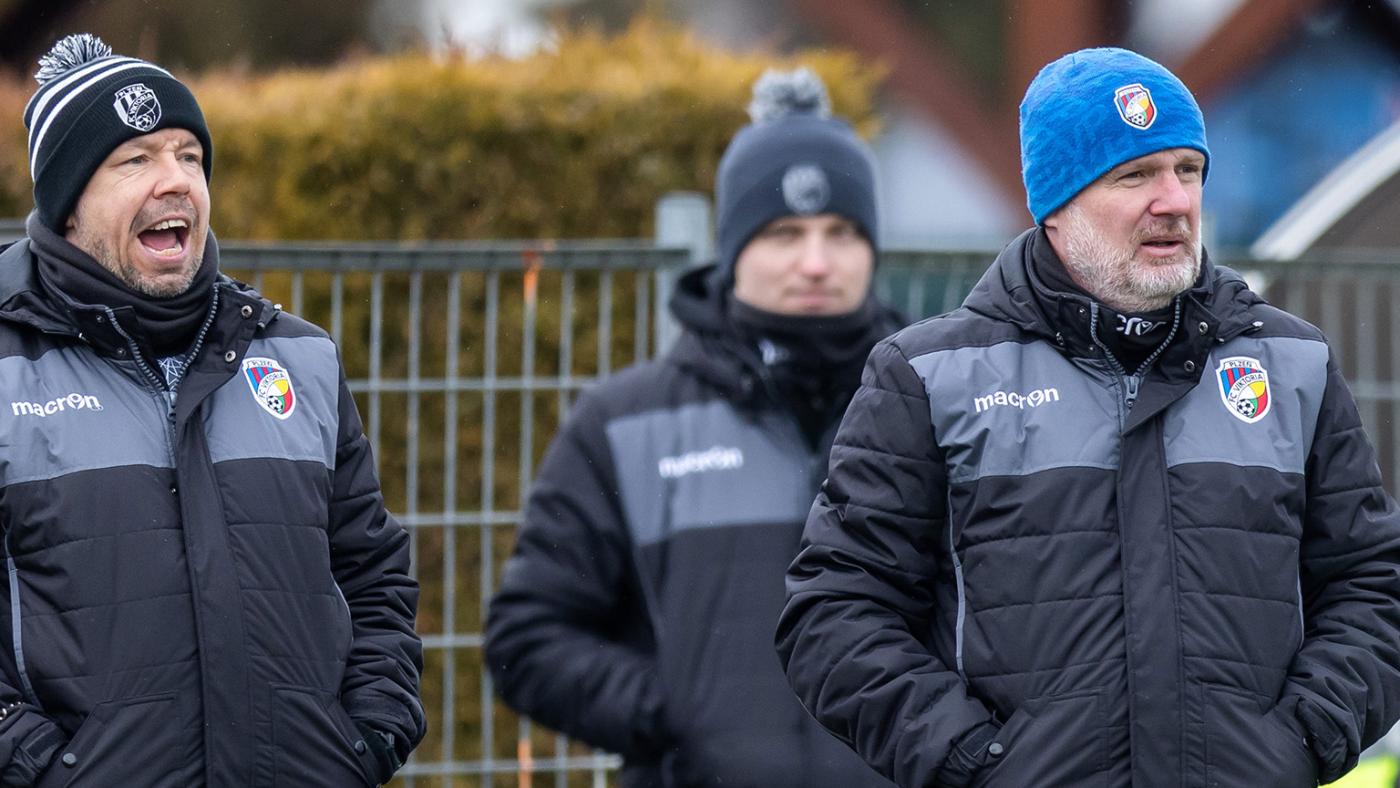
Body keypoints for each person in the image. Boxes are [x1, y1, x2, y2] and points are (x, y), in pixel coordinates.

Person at [776, 47, 1400, 788]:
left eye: (1187, 170)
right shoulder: (929, 378)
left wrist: (1302, 738)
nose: (1173, 200)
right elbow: (835, 613)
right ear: (1057, 205)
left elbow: (1374, 584)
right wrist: (971, 761)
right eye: (1134, 175)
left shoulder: (1292, 364)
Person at [0, 34, 425, 785]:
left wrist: (368, 735)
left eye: (190, 157)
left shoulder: (299, 359)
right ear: (67, 205)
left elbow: (371, 573)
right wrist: (38, 765)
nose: (176, 182)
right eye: (135, 160)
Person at [485, 69, 902, 787]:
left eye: (841, 233)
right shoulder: (625, 424)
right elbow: (529, 638)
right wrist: (677, 714)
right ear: (733, 249)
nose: (815, 262)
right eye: (784, 233)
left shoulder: (939, 410)